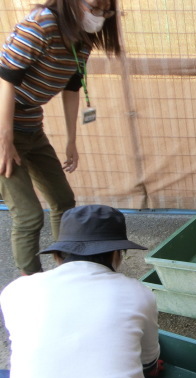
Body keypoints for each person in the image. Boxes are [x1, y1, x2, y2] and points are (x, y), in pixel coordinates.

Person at [0, 205, 165, 378]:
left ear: (56, 255)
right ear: (117, 254)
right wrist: (152, 369)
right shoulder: (138, 294)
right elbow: (150, 361)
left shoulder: (17, 291)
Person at [0, 0, 121, 275]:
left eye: (106, 10)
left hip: (32, 126)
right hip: (4, 126)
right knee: (28, 215)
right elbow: (5, 77)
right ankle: (31, 284)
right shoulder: (41, 23)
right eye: (94, 7)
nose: (99, 15)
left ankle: (67, 271)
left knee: (63, 201)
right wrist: (4, 139)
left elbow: (71, 88)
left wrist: (71, 140)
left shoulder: (83, 40)